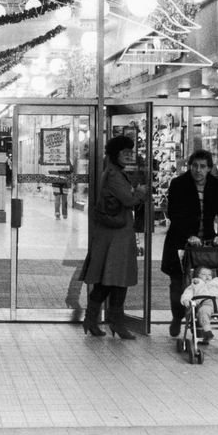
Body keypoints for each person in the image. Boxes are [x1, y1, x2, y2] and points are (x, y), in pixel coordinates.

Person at [79, 136, 147, 340]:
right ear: (115, 153)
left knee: (109, 279)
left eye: (130, 152)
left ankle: (92, 320)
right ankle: (115, 323)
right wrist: (141, 193)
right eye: (125, 152)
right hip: (116, 236)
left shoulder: (112, 172)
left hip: (113, 234)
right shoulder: (114, 175)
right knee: (116, 279)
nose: (129, 155)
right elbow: (128, 199)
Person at [162, 149, 218, 338]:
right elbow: (174, 213)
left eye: (203, 167)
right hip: (180, 242)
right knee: (178, 283)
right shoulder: (178, 184)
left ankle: (200, 321)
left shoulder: (216, 186)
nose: (198, 170)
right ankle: (177, 317)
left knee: (203, 283)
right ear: (189, 166)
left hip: (206, 245)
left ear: (209, 168)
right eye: (194, 166)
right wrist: (189, 235)